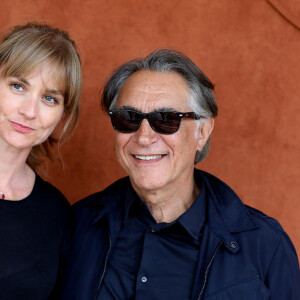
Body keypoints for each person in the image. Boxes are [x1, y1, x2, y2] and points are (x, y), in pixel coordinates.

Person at [60, 49, 300, 300]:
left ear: (203, 132)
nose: (143, 137)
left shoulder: (265, 245)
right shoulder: (78, 225)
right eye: (128, 118)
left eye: (166, 119)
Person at [0, 22, 81, 299]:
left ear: (62, 113)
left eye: (49, 98)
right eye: (18, 86)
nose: (29, 111)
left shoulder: (57, 215)